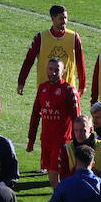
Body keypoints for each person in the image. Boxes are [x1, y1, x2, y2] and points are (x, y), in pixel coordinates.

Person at [26, 56, 80, 191]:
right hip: (46, 140)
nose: (53, 72)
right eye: (50, 69)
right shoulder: (42, 88)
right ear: (46, 69)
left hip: (62, 142)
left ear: (64, 71)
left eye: (57, 70)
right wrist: (31, 139)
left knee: (55, 178)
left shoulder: (69, 90)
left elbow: (77, 118)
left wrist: (78, 143)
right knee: (53, 176)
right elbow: (35, 114)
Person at [17, 4, 85, 98]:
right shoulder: (40, 38)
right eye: (61, 18)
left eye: (65, 18)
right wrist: (21, 82)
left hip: (68, 89)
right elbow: (29, 61)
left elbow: (80, 63)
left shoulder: (74, 37)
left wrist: (82, 85)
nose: (64, 21)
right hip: (46, 89)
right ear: (53, 18)